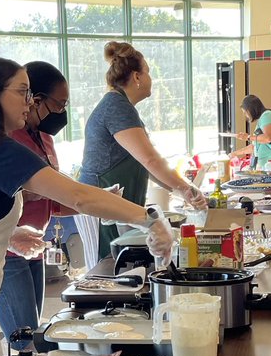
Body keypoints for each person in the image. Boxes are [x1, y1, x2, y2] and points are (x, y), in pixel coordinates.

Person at [0, 58, 175, 356]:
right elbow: (77, 195)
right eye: (21, 92)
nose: (29, 101)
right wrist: (151, 219)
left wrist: (8, 235)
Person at [78, 41, 207, 260]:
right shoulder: (116, 107)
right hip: (101, 204)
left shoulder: (122, 107)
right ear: (136, 77)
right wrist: (186, 189)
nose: (150, 79)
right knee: (109, 269)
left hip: (117, 206)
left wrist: (183, 191)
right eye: (147, 72)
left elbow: (145, 165)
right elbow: (150, 160)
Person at [0, 60, 71, 341]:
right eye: (59, 105)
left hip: (32, 247)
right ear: (34, 100)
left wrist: (101, 204)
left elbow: (58, 197)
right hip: (7, 251)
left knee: (34, 331)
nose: (62, 113)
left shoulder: (43, 137)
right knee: (24, 337)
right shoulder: (4, 139)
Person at [234, 93, 271, 171]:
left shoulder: (267, 115)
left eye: (245, 112)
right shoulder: (262, 120)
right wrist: (234, 154)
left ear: (251, 109)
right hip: (270, 165)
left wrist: (248, 137)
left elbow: (268, 138)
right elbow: (254, 147)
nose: (245, 115)